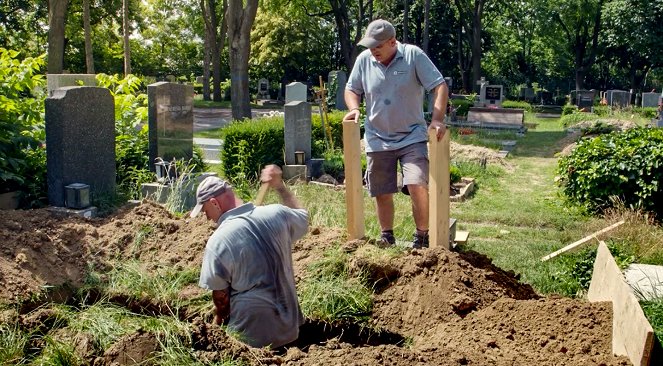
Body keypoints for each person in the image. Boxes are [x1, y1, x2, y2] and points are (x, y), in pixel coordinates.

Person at [343, 19, 449, 249]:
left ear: (393, 41)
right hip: (377, 137)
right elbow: (351, 88)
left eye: (378, 46)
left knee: (416, 184)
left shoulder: (413, 56)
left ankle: (422, 236)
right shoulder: (364, 61)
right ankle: (386, 236)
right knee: (382, 190)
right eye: (370, 46)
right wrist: (353, 108)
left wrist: (437, 120)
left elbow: (439, 86)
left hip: (412, 136)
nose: (373, 51)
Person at [190, 165, 308, 348]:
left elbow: (222, 301)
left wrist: (217, 329)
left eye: (205, 211)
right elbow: (303, 216)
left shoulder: (218, 242)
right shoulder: (278, 213)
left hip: (249, 342)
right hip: (290, 333)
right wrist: (280, 187)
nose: (207, 218)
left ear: (214, 203)